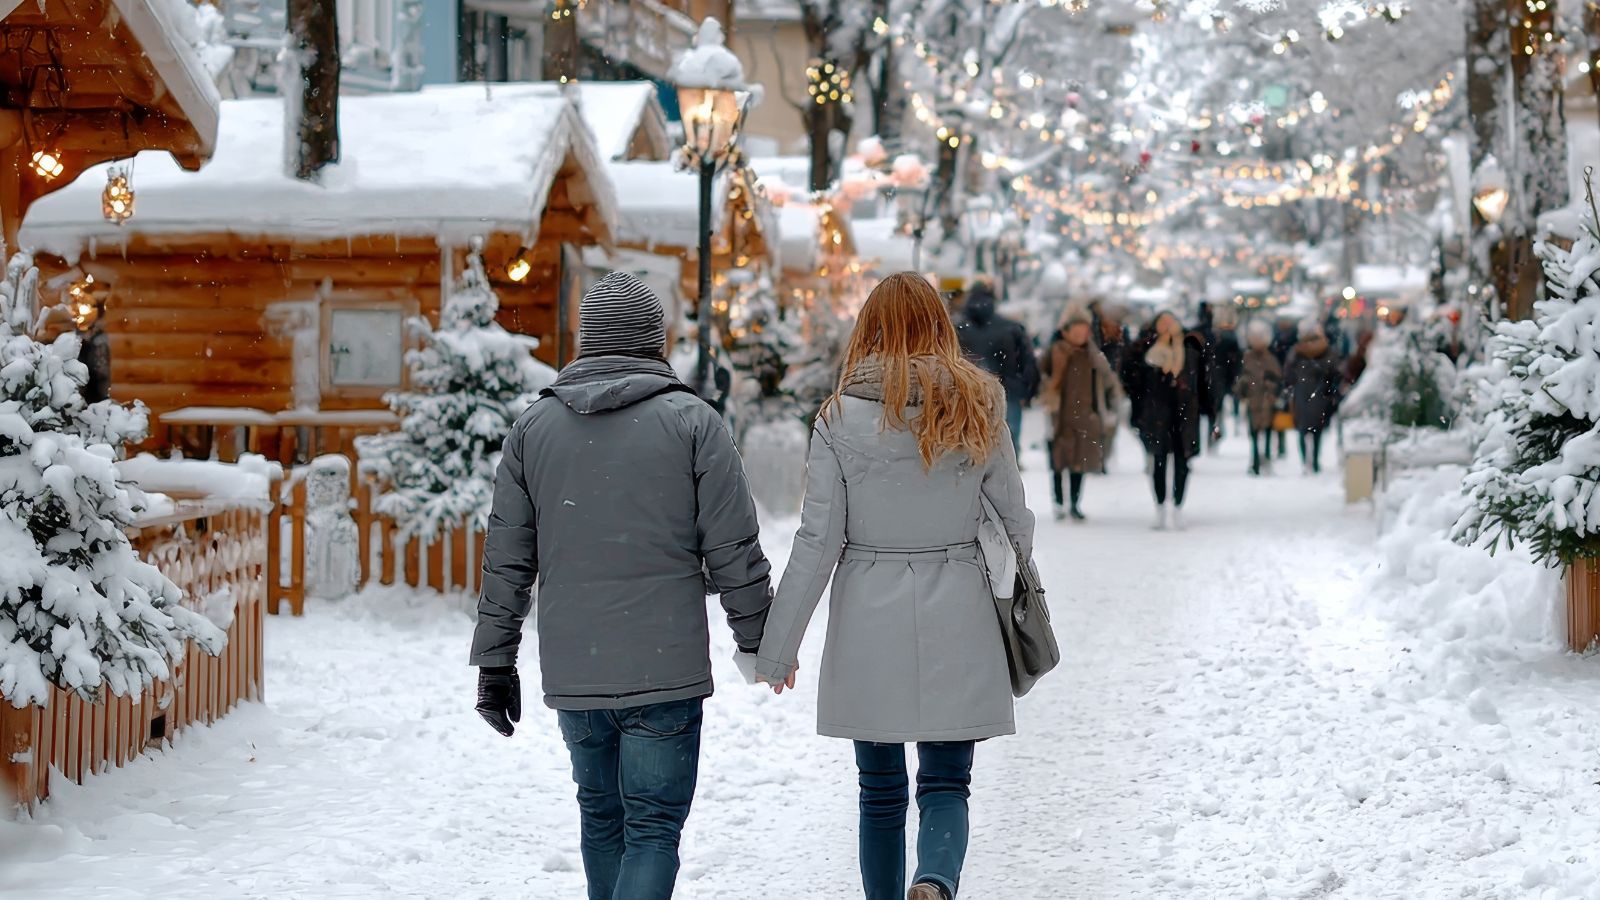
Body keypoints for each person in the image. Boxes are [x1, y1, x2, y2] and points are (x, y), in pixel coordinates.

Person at [470, 272, 775, 900]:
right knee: (654, 829)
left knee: (601, 817)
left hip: (577, 668)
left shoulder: (533, 430)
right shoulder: (694, 422)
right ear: (653, 339)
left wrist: (496, 664)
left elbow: (506, 560)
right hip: (664, 666)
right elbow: (733, 547)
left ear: (587, 341)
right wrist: (758, 636)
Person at [753, 272, 1034, 900]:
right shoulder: (978, 403)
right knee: (946, 783)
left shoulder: (838, 417)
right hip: (958, 598)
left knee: (879, 790)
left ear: (868, 330)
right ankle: (934, 880)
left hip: (869, 610)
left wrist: (778, 646)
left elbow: (817, 540)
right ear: (940, 324)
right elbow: (1015, 522)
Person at [1123, 310, 1209, 530]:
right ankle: (1160, 507)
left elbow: (1202, 382)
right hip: (1156, 415)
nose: (1168, 326)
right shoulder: (1146, 350)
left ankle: (1178, 506)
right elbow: (1132, 380)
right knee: (1158, 463)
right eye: (1163, 322)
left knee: (1182, 463)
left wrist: (1209, 410)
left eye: (1172, 322)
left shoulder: (1190, 350)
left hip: (1184, 415)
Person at [1041, 305, 1118, 521]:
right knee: (1058, 461)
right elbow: (1041, 375)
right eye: (1076, 329)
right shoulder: (1055, 351)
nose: (1080, 334)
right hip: (1059, 415)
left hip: (1084, 415)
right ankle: (1058, 502)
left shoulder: (1093, 355)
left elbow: (1109, 380)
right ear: (1066, 330)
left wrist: (1107, 409)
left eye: (1084, 329)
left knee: (1079, 462)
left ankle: (1074, 503)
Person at [955, 278, 1039, 457]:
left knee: (970, 437)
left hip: (966, 390)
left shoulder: (956, 327)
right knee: (1007, 436)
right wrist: (1028, 390)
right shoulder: (1011, 328)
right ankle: (1007, 466)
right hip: (1008, 389)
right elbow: (1027, 362)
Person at [1283, 319, 1343, 474]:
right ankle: (1315, 461)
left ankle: (1305, 461)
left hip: (1302, 394)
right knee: (1317, 430)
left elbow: (1288, 375)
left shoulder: (1297, 351)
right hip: (1320, 395)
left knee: (1303, 430)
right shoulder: (1326, 350)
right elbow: (1336, 372)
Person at [1236, 319, 1284, 477]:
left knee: (1268, 429)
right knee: (1254, 432)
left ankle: (1267, 456)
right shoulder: (1247, 357)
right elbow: (1241, 376)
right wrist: (1242, 391)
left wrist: (1272, 390)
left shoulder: (1271, 358)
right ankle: (1256, 459)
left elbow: (1278, 378)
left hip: (1266, 400)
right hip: (1253, 399)